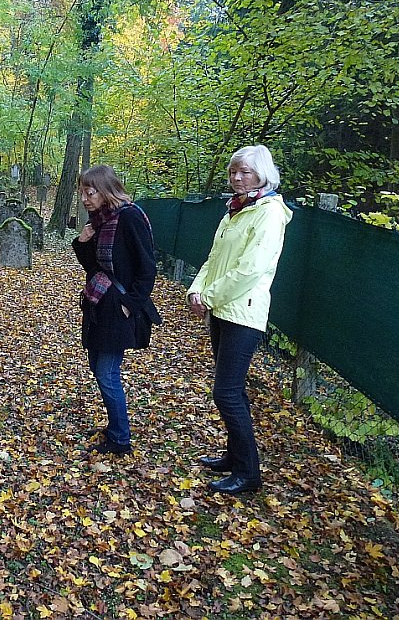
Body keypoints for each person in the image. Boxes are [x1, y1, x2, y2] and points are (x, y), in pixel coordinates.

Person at [187, 145, 292, 494]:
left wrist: (210, 296)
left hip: (244, 312)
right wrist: (195, 290)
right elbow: (214, 258)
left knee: (226, 392)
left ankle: (249, 474)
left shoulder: (269, 213)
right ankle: (234, 457)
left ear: (261, 173)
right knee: (233, 390)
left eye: (244, 171)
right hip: (221, 311)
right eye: (233, 171)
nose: (236, 177)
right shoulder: (235, 210)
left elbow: (251, 268)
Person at [73, 164, 161, 456]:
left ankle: (121, 439)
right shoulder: (99, 220)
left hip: (118, 307)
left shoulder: (130, 217)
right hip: (99, 303)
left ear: (107, 190)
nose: (85, 198)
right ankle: (114, 427)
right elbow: (94, 267)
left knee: (106, 372)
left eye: (91, 191)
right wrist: (82, 242)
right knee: (97, 368)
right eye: (83, 192)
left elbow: (147, 269)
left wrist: (129, 305)